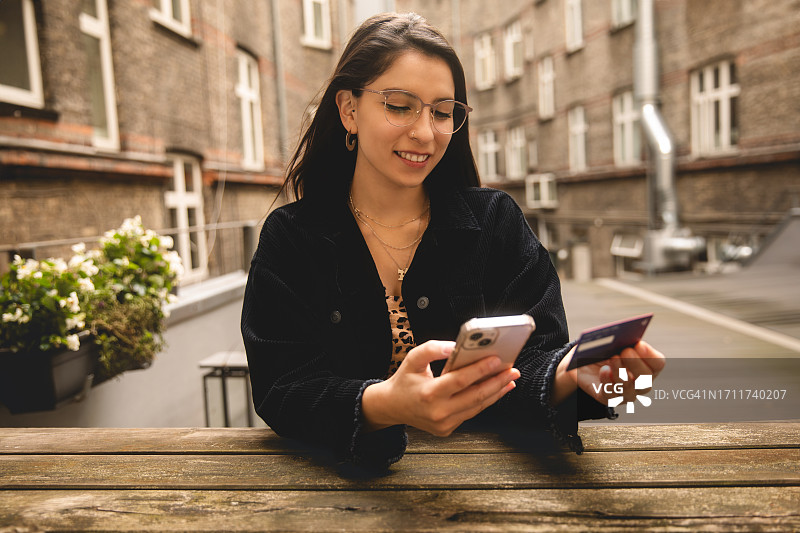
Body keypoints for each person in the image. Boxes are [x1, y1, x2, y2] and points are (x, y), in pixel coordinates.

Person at [241, 12, 665, 468]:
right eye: (400, 105)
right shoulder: (293, 238)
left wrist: (572, 375)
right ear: (349, 110)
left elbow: (534, 357)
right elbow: (282, 388)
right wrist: (385, 404)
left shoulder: (495, 222)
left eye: (443, 112)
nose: (424, 133)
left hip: (495, 484)